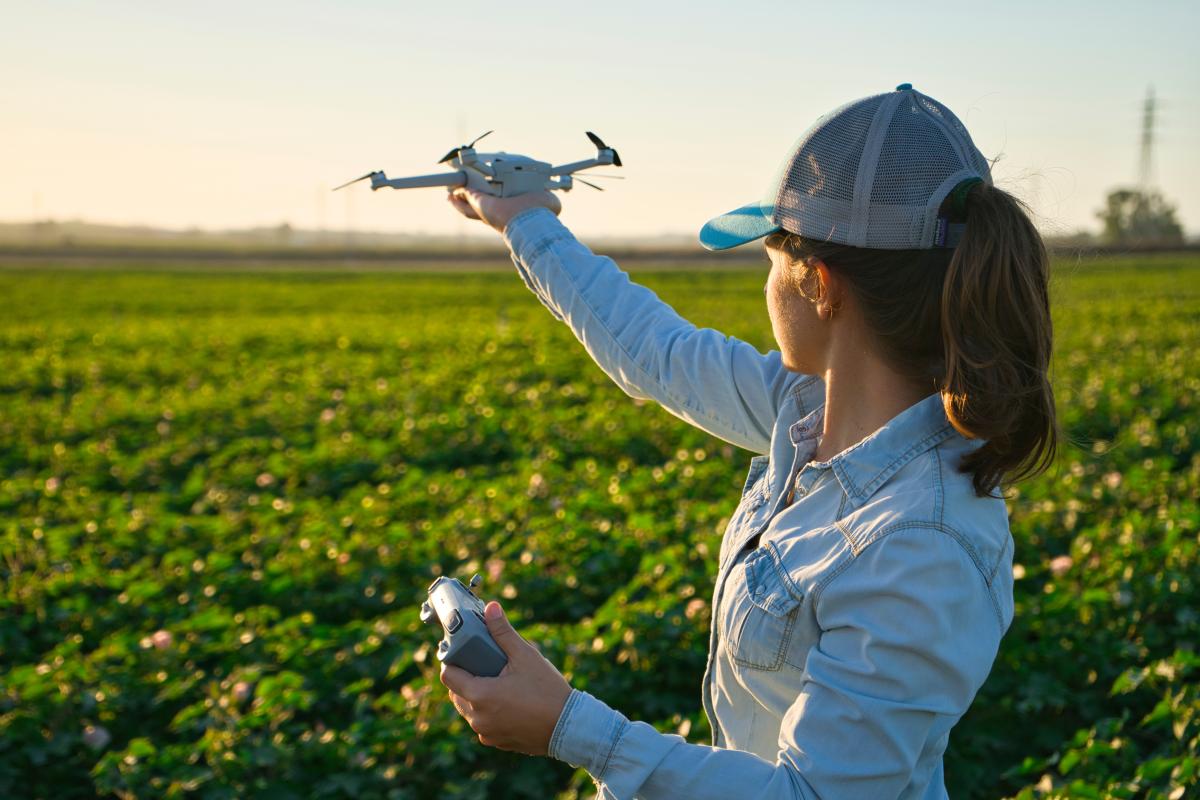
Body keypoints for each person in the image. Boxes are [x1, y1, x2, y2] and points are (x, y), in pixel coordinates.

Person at [438, 83, 1057, 799]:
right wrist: (526, 221)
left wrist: (569, 726)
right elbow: (657, 353)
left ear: (821, 284)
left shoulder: (922, 542)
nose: (765, 281)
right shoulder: (804, 411)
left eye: (769, 257)